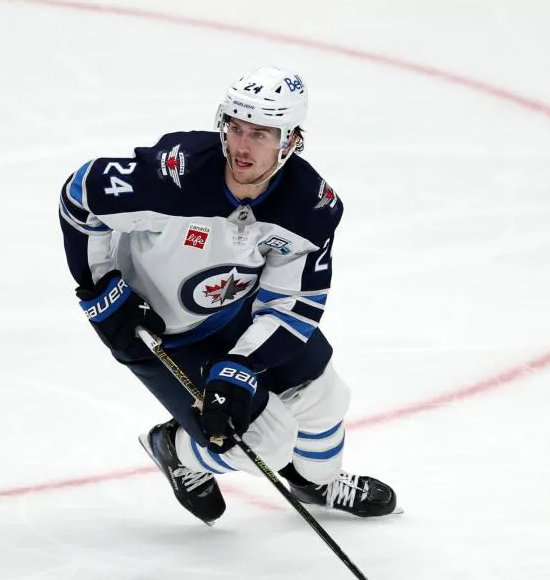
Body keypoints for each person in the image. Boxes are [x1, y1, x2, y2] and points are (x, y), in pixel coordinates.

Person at [58, 66, 397, 524]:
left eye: (260, 134)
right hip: (156, 333)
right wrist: (100, 288)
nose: (241, 146)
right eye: (235, 127)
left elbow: (293, 305)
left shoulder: (310, 207)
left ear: (290, 141)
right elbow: (81, 196)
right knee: (265, 442)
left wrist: (241, 366)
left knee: (325, 397)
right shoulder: (172, 176)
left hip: (237, 314)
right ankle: (174, 449)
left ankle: (316, 483)